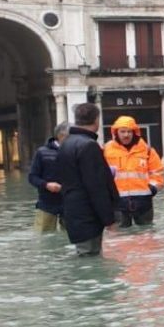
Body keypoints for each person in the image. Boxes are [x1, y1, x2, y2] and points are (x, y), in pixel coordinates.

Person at [57, 103, 119, 256]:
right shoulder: (89, 145)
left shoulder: (66, 144)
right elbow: (96, 187)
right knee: (90, 255)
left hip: (73, 211)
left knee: (84, 254)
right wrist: (108, 219)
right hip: (88, 214)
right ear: (96, 120)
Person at [103, 115, 164, 227]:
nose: (126, 135)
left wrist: (152, 188)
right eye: (123, 131)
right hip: (117, 201)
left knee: (146, 234)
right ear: (116, 132)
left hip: (143, 201)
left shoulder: (147, 150)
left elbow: (158, 172)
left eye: (129, 132)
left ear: (135, 132)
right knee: (120, 237)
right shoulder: (106, 150)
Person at [29, 122, 70, 232]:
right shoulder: (42, 152)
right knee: (43, 237)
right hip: (46, 203)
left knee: (71, 237)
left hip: (69, 202)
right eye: (70, 137)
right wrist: (46, 185)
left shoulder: (75, 151)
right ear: (61, 136)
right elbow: (32, 177)